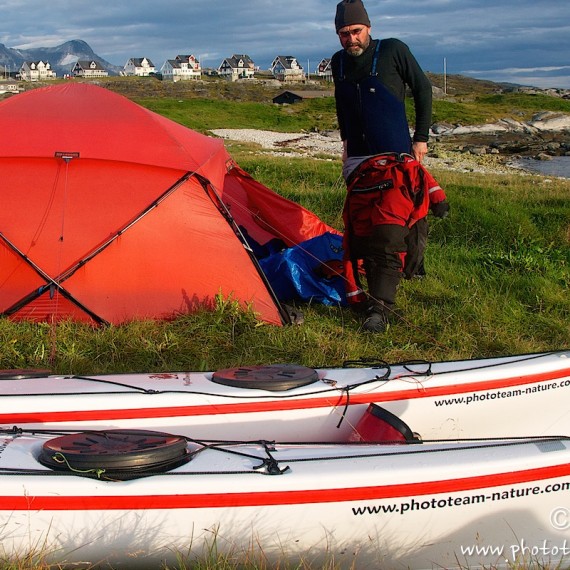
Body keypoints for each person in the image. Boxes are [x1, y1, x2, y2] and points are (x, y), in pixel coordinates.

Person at [332, 0, 449, 332]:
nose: (350, 39)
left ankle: (381, 306)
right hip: (357, 157)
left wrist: (421, 138)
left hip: (395, 155)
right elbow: (342, 106)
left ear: (368, 28)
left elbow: (422, 88)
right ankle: (408, 266)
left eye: (355, 31)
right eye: (343, 34)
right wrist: (344, 144)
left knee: (389, 226)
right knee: (362, 228)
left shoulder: (393, 50)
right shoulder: (338, 63)